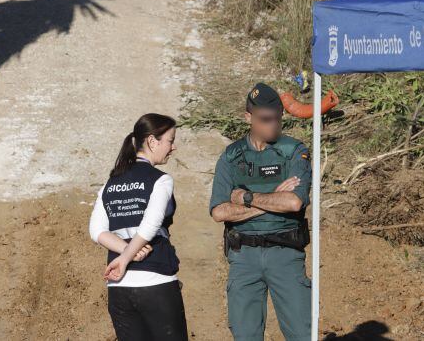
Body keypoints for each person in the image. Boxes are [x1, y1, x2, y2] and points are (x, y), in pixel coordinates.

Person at [210, 83, 312, 341]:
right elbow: (220, 212)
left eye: (277, 118)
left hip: (285, 253)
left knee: (302, 333)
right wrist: (269, 200)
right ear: (248, 118)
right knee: (245, 334)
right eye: (265, 120)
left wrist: (246, 198)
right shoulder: (232, 157)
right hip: (243, 257)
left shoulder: (294, 151)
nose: (273, 125)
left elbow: (293, 203)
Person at [89, 113, 188, 341]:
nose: (172, 148)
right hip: (156, 282)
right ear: (152, 141)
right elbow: (151, 225)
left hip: (119, 289)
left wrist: (126, 250)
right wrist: (126, 257)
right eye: (170, 141)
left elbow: (96, 231)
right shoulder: (160, 179)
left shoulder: (109, 183)